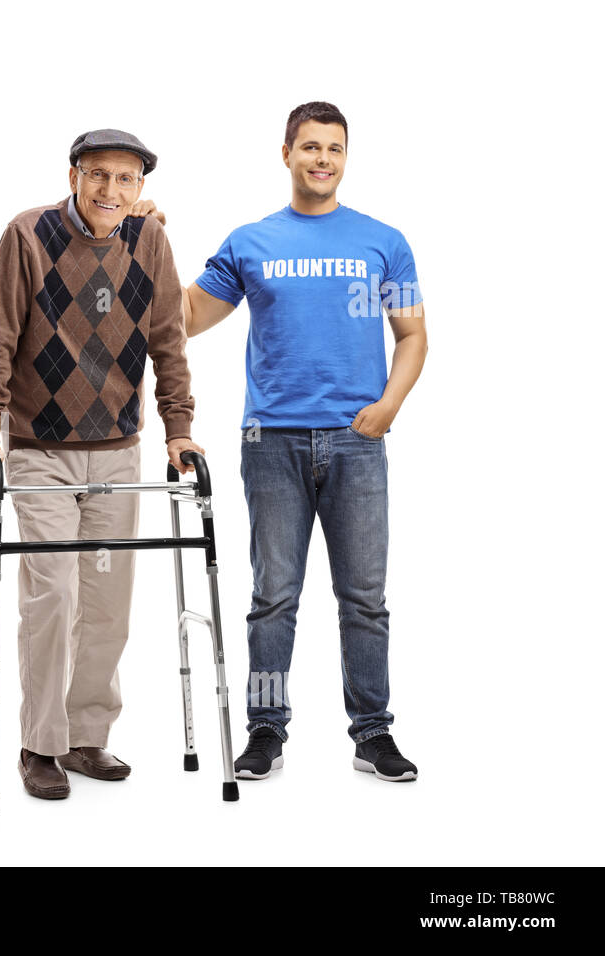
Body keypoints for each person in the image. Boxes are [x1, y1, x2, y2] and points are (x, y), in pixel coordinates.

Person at [183, 101, 428, 782]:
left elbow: (413, 336)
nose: (323, 159)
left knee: (364, 599)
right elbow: (184, 316)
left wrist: (389, 404)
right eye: (311, 147)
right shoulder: (251, 242)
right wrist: (138, 246)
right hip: (271, 443)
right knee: (273, 598)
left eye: (335, 149)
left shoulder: (384, 241)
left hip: (357, 443)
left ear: (345, 159)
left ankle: (373, 732)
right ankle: (265, 730)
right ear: (286, 153)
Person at [0, 129, 202, 800]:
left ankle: (85, 736)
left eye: (126, 180)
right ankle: (39, 745)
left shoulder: (148, 240)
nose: (110, 191)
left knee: (105, 603)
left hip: (117, 454)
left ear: (141, 190)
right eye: (98, 175)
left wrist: (178, 431)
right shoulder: (28, 235)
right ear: (73, 175)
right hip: (38, 450)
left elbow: (168, 342)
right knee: (53, 594)